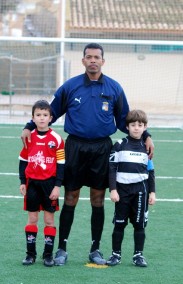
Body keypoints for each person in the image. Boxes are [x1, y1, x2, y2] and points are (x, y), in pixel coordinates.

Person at [21, 43, 154, 266]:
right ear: (83, 61)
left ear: (103, 61)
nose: (93, 60)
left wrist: (146, 135)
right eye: (89, 57)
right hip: (75, 148)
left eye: (97, 57)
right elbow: (50, 114)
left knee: (97, 199)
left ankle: (95, 249)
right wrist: (28, 126)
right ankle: (62, 248)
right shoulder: (70, 86)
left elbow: (124, 120)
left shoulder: (114, 88)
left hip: (102, 149)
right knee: (70, 197)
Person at [106, 109, 156, 267]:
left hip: (141, 191)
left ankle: (138, 255)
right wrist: (113, 189)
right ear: (127, 126)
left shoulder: (146, 147)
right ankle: (115, 255)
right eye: (133, 125)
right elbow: (112, 168)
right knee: (119, 224)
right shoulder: (120, 145)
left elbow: (151, 172)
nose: (136, 128)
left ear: (145, 127)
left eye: (140, 125)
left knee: (139, 224)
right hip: (122, 191)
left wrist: (152, 192)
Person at [19, 100, 65, 267]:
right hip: (32, 184)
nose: (41, 118)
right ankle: (30, 254)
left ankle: (48, 255)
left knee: (49, 221)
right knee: (32, 219)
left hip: (49, 184)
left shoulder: (57, 139)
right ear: (33, 117)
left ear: (51, 118)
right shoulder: (28, 137)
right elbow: (23, 160)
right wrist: (23, 181)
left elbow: (61, 164)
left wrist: (57, 186)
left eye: (45, 115)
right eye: (38, 115)